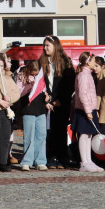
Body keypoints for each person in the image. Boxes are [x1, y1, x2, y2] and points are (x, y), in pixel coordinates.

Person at [39, 35, 76, 169]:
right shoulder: (42, 61)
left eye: (48, 45)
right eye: (44, 45)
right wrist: (46, 98)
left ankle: (62, 157)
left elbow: (69, 83)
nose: (45, 48)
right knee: (48, 131)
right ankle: (50, 156)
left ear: (55, 46)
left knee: (60, 130)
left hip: (61, 103)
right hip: (46, 102)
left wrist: (60, 100)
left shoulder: (65, 62)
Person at [71, 52, 104, 172]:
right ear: (89, 62)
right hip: (85, 110)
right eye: (94, 60)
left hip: (89, 109)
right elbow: (83, 94)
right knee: (84, 135)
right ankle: (84, 162)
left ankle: (89, 161)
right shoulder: (83, 76)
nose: (95, 63)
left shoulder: (88, 75)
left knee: (89, 135)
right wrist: (88, 111)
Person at [15, 60, 47, 171]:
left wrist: (47, 96)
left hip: (40, 108)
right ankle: (27, 161)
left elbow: (44, 89)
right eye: (33, 73)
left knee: (41, 135)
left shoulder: (41, 76)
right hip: (28, 109)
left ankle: (40, 161)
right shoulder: (22, 76)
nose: (34, 75)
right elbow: (18, 93)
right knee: (29, 137)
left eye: (36, 73)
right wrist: (28, 86)